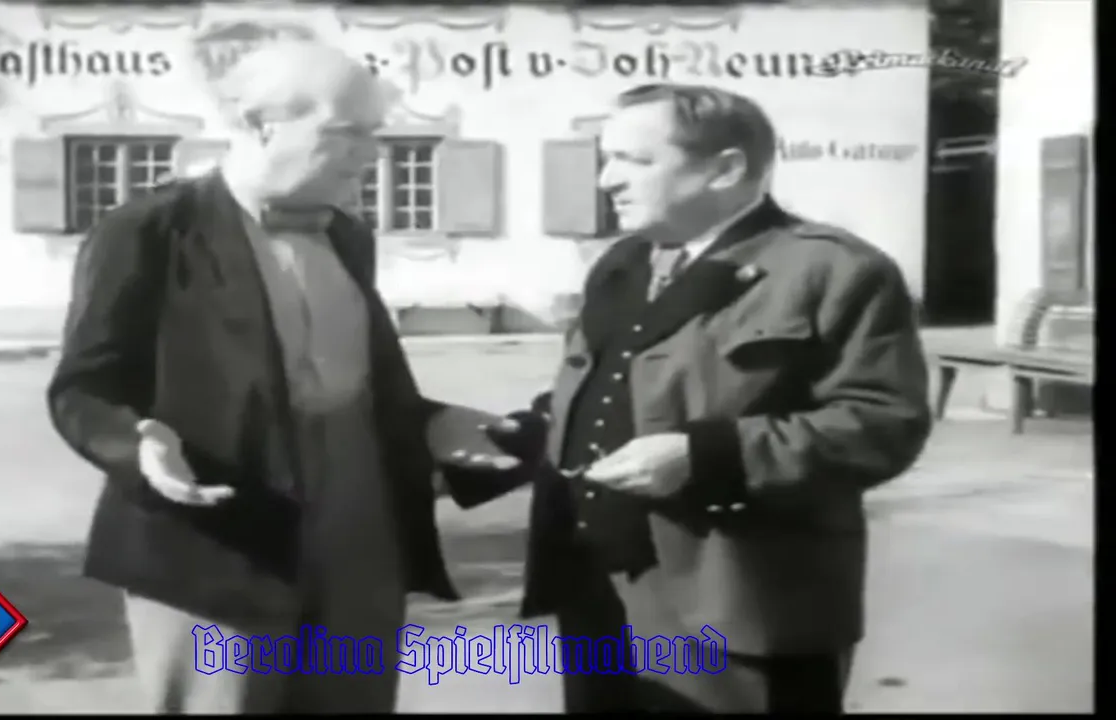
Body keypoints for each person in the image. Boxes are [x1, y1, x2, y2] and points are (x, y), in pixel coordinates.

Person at [46, 39, 532, 714]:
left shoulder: (348, 234)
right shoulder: (149, 228)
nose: (372, 153)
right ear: (259, 124)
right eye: (348, 132)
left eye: (375, 133)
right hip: (219, 530)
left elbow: (352, 379)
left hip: (362, 525)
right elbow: (82, 387)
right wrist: (137, 444)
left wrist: (431, 422)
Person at [484, 83, 933, 713]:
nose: (608, 181)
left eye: (635, 160)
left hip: (739, 601)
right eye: (606, 159)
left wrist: (707, 456)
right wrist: (519, 436)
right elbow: (609, 387)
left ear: (725, 169)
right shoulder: (623, 264)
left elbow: (882, 423)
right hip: (598, 591)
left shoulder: (833, 270)